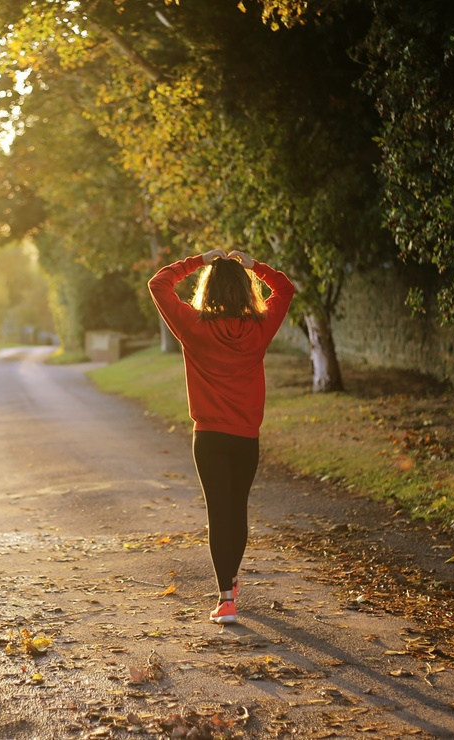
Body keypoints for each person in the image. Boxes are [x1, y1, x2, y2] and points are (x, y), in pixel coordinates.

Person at [148, 248, 295, 624]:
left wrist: (198, 260)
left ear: (208, 290)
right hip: (246, 437)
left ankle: (226, 598)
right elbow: (285, 288)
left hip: (209, 437)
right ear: (246, 291)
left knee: (219, 512)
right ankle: (229, 584)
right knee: (237, 509)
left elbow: (158, 283)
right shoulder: (260, 327)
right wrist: (254, 266)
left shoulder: (193, 326)